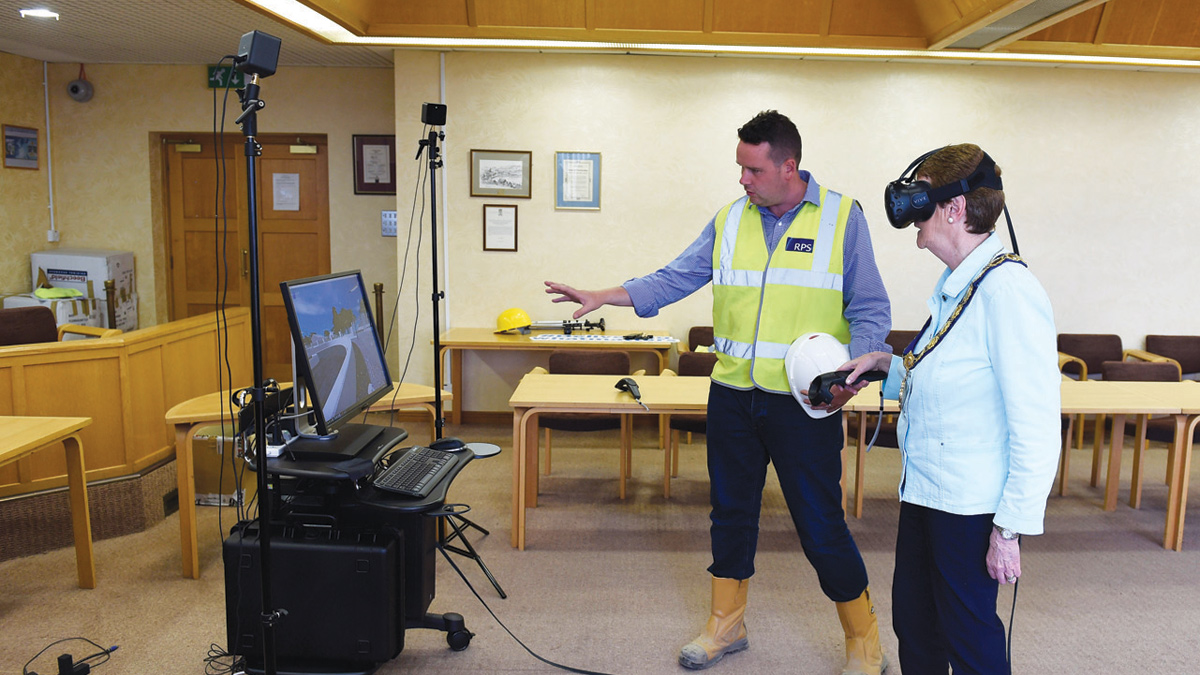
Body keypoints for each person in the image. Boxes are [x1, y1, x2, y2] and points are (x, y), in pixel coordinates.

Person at [545, 110, 892, 674]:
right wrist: (605, 295)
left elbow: (870, 306)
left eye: (753, 170)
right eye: (740, 168)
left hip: (805, 402)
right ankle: (726, 624)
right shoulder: (730, 219)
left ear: (789, 166)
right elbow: (675, 277)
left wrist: (856, 371)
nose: (742, 180)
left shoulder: (842, 217)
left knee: (820, 523)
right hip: (732, 394)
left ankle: (863, 637)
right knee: (730, 515)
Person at [838, 144, 1060, 674]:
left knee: (969, 638)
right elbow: (954, 378)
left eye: (921, 198)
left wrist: (1009, 531)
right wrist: (886, 365)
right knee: (916, 625)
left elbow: (1036, 423)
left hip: (970, 506)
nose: (911, 213)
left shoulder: (1008, 291)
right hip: (926, 491)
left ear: (955, 208)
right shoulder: (958, 286)